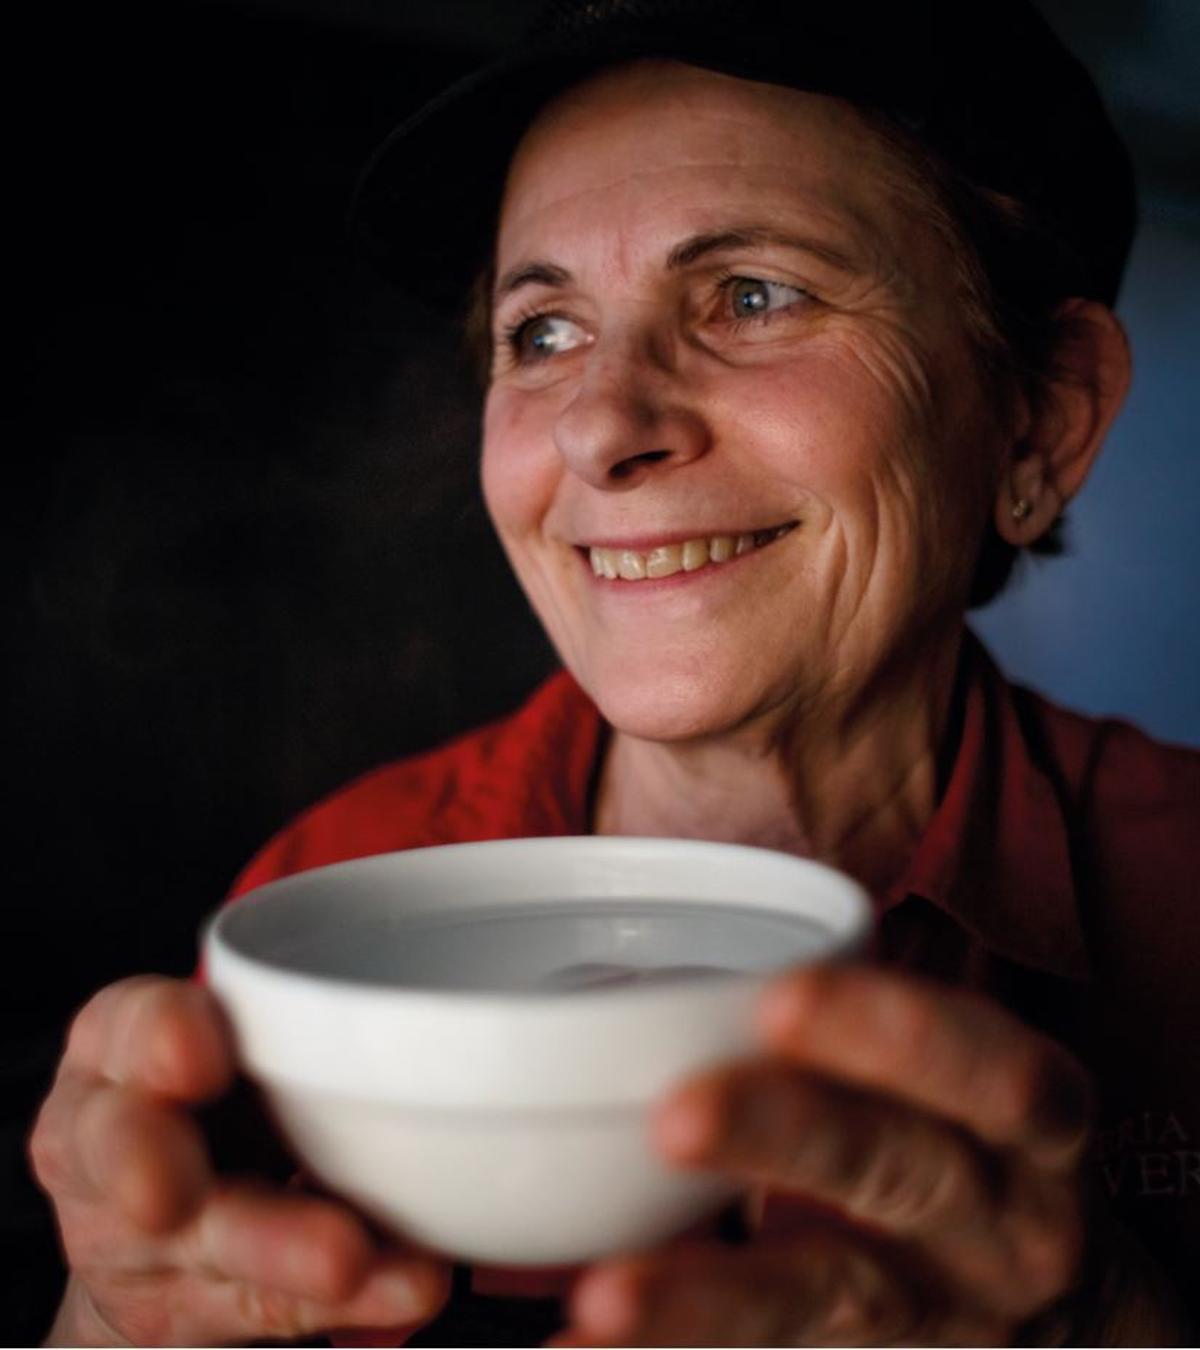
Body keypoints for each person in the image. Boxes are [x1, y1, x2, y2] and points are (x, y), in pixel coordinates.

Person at [29, 0, 1200, 1344]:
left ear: (1039, 421)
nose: (600, 425)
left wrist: (1119, 1319)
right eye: (543, 332)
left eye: (752, 296)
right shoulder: (329, 893)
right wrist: (105, 1330)